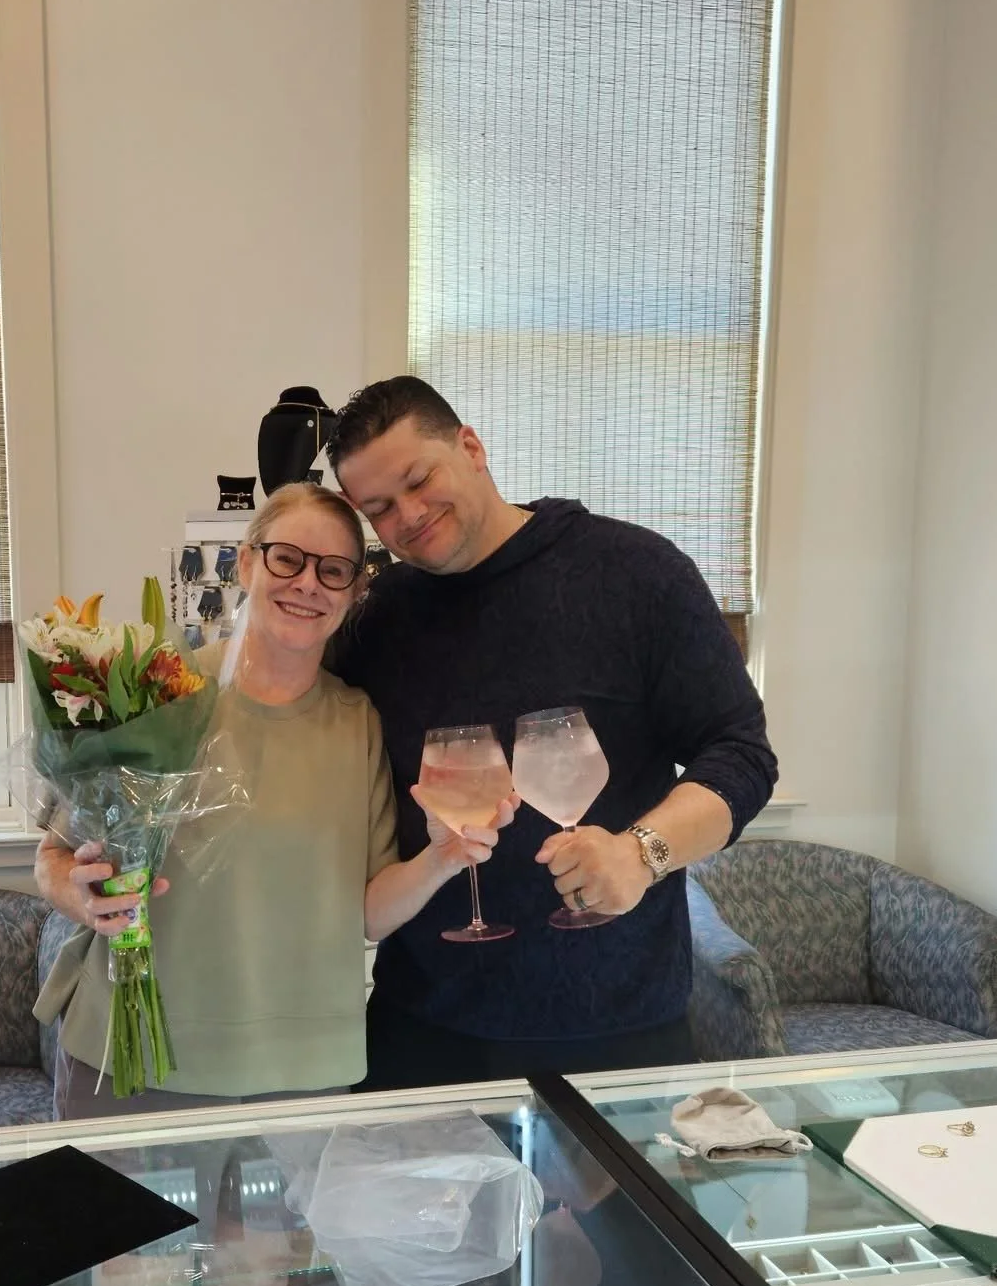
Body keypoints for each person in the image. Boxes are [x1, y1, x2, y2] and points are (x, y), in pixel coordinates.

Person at [327, 376, 779, 1088]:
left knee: (633, 1206)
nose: (407, 516)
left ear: (471, 447)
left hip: (619, 1027)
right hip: (424, 1031)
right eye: (378, 509)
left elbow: (742, 756)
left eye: (419, 480)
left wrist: (642, 854)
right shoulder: (377, 618)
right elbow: (280, 719)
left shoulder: (637, 574)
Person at [32, 480, 515, 1118]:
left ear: (355, 591)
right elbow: (54, 856)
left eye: (334, 570)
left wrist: (445, 856)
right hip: (136, 1054)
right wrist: (83, 893)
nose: (308, 583)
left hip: (303, 1069)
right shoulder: (162, 689)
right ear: (248, 560)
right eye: (288, 557)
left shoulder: (357, 721)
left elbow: (367, 913)